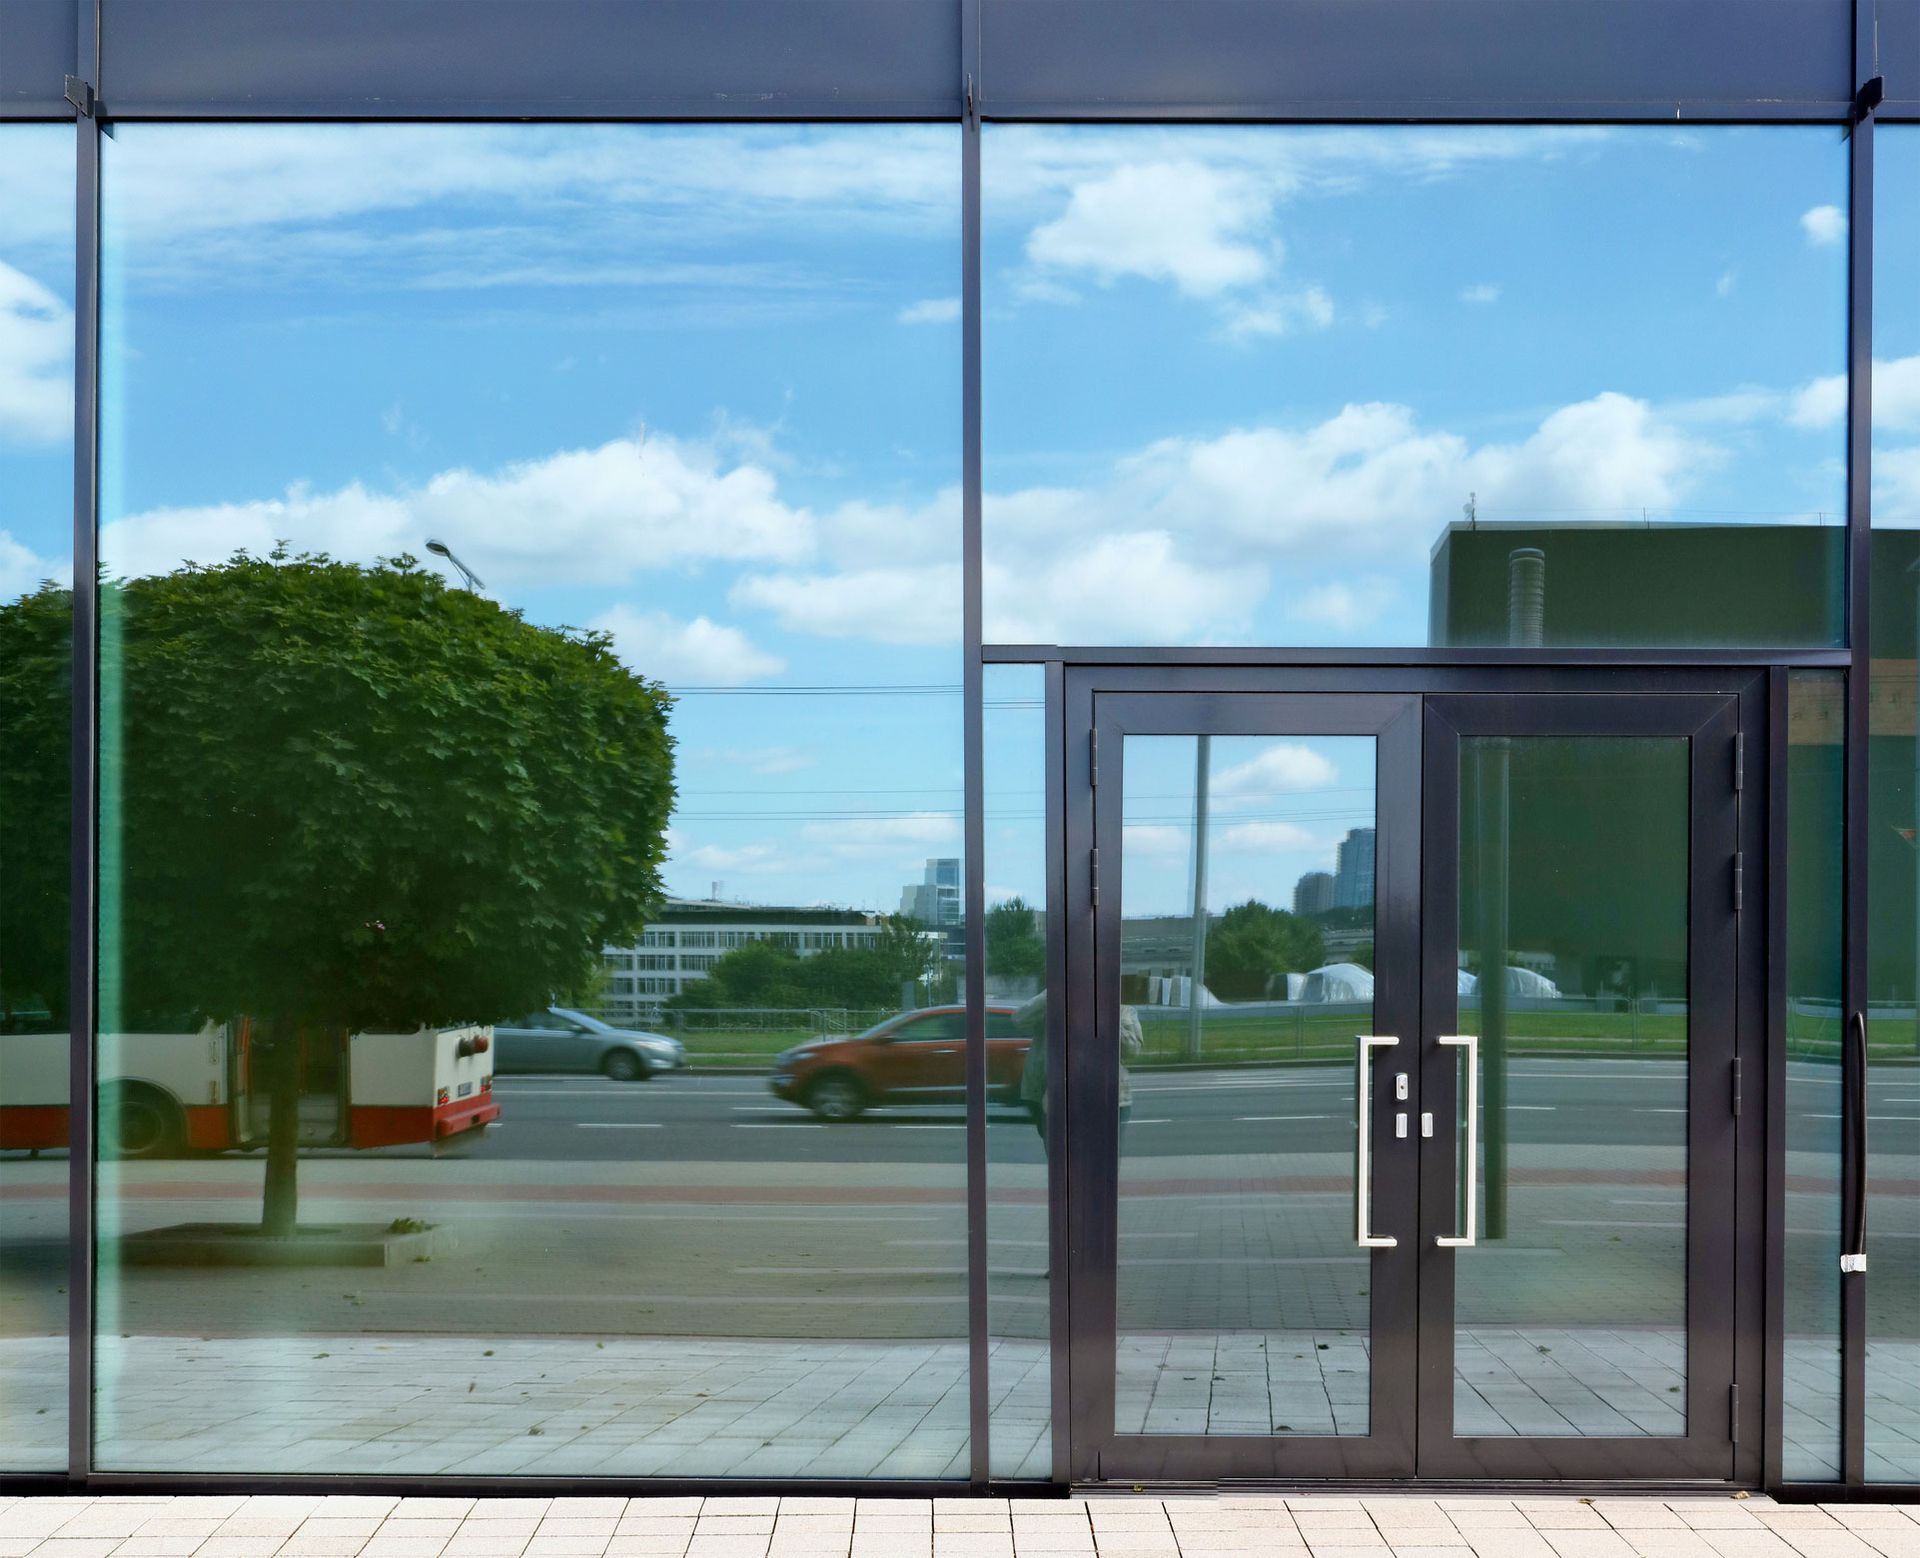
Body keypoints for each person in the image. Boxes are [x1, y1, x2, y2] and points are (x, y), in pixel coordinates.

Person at [1014, 989, 1142, 1148]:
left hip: (1107, 1099)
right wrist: (1055, 990)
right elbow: (1019, 1019)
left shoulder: (1121, 1010)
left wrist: (1104, 1016)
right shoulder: (1053, 1006)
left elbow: (1132, 1050)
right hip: (1057, 1097)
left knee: (1103, 1163)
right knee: (1060, 1161)